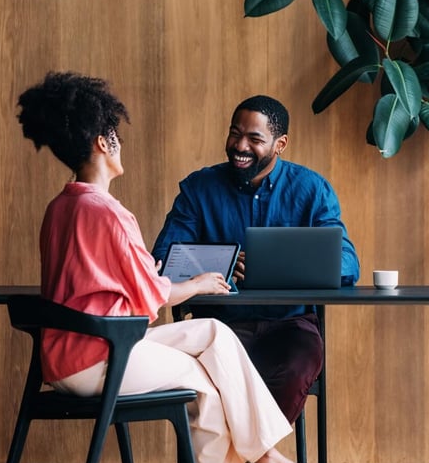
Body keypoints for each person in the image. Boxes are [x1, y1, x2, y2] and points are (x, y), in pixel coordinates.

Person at [17, 72, 308, 463]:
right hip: (99, 356)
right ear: (104, 143)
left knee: (214, 334)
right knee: (206, 381)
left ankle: (265, 457)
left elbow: (101, 281)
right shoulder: (110, 214)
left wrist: (146, 276)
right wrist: (197, 283)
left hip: (65, 354)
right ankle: (264, 459)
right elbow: (152, 297)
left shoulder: (61, 207)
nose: (120, 141)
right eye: (114, 133)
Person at [152, 94, 360, 426]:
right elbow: (162, 260)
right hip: (218, 326)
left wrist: (281, 267)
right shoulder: (198, 188)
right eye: (235, 133)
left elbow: (348, 263)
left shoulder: (311, 189)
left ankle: (240, 459)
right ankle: (261, 460)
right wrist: (221, 265)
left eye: (255, 138)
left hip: (290, 326)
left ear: (281, 144)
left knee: (298, 365)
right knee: (206, 377)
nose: (240, 145)